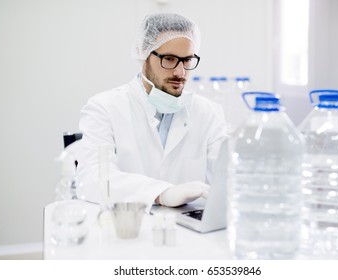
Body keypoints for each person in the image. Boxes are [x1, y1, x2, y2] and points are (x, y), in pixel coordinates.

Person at [76, 13, 227, 212]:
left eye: (187, 60)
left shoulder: (208, 113)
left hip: (188, 232)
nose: (180, 73)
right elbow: (93, 178)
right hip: (127, 228)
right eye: (169, 59)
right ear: (143, 54)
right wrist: (161, 193)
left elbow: (229, 176)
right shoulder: (104, 108)